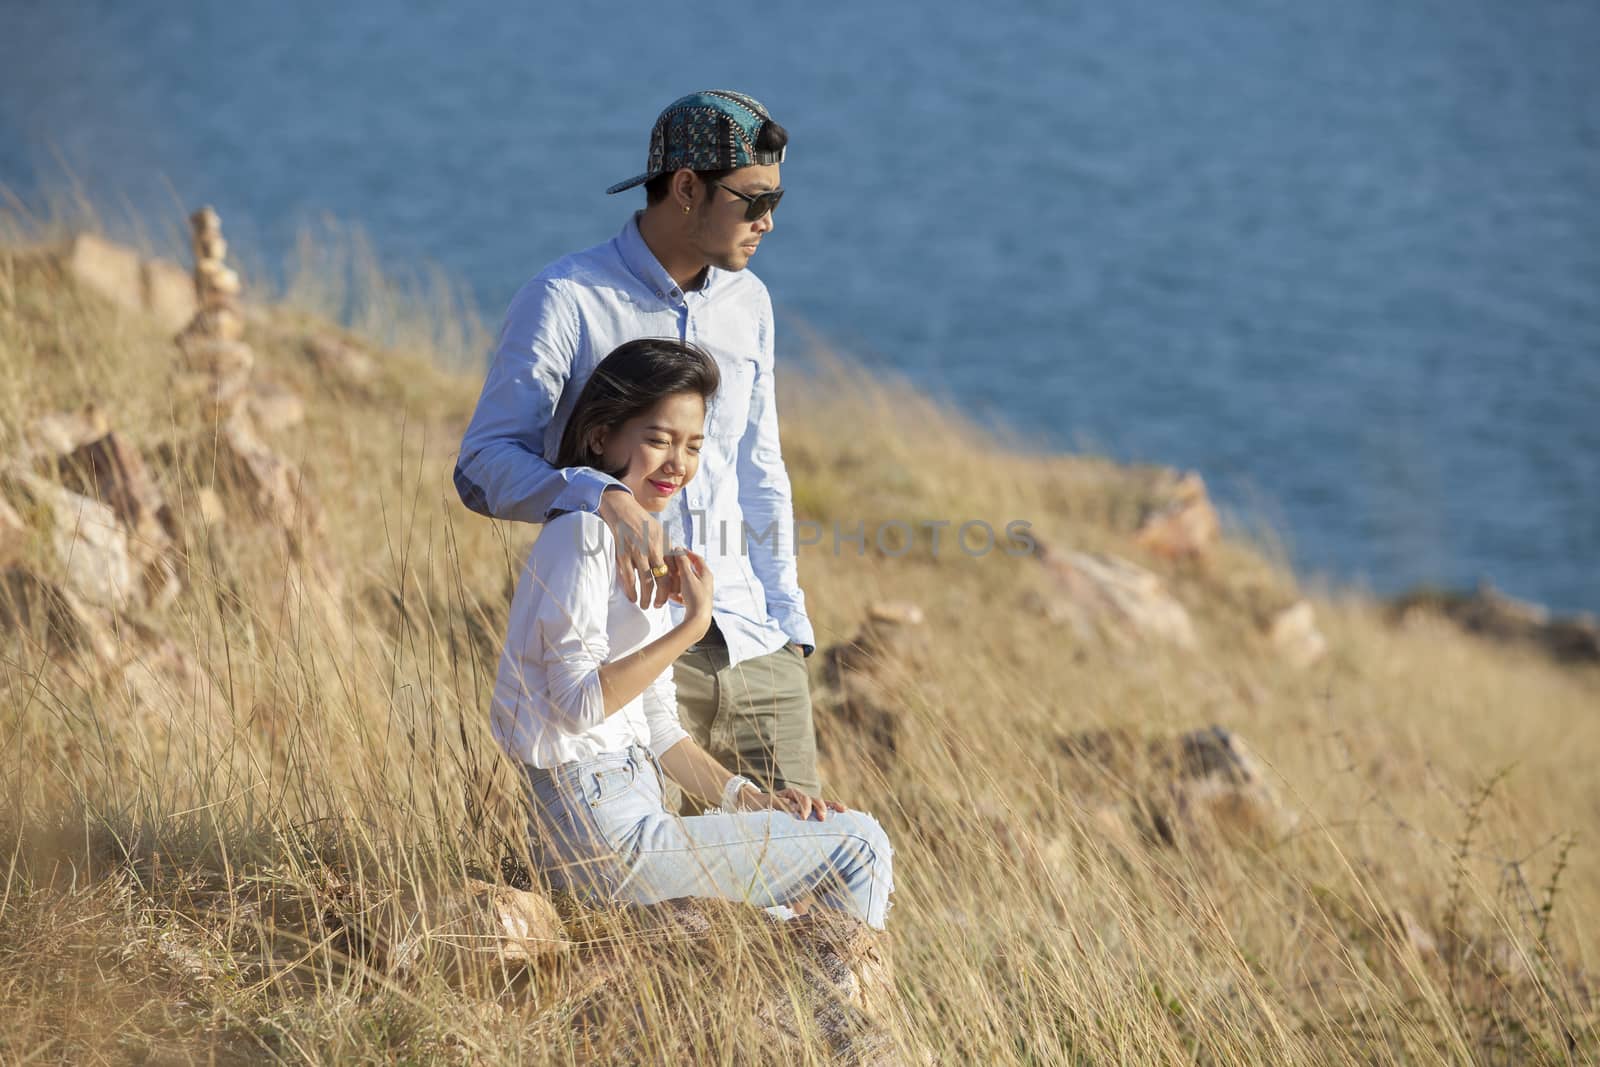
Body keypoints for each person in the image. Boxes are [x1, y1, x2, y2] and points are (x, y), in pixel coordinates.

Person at [454, 90, 820, 802]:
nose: (768, 222)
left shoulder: (752, 304)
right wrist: (602, 495)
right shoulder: (565, 298)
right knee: (672, 905)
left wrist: (791, 625)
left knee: (805, 881)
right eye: (752, 200)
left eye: (779, 200)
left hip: (756, 642)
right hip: (633, 649)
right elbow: (481, 465)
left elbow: (760, 469)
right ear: (687, 188)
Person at [493, 338, 892, 929]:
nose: (678, 462)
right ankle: (852, 1017)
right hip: (598, 834)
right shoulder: (578, 537)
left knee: (784, 919)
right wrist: (692, 628)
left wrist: (746, 797)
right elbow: (577, 706)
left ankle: (824, 1013)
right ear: (602, 436)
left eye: (694, 445)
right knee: (858, 845)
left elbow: (657, 728)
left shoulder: (642, 547)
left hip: (631, 814)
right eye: (658, 439)